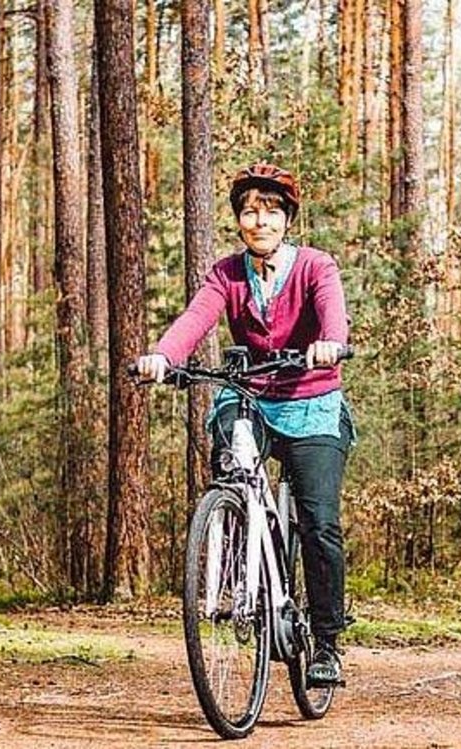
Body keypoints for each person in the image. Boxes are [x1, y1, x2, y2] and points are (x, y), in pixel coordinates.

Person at [135, 162, 354, 686]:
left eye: (271, 211)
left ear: (287, 219)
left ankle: (326, 643)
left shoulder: (316, 267)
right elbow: (196, 318)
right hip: (251, 397)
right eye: (250, 211)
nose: (260, 221)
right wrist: (163, 356)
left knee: (320, 522)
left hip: (311, 401)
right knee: (229, 468)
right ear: (239, 221)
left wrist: (329, 343)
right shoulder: (226, 274)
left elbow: (333, 314)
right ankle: (235, 569)